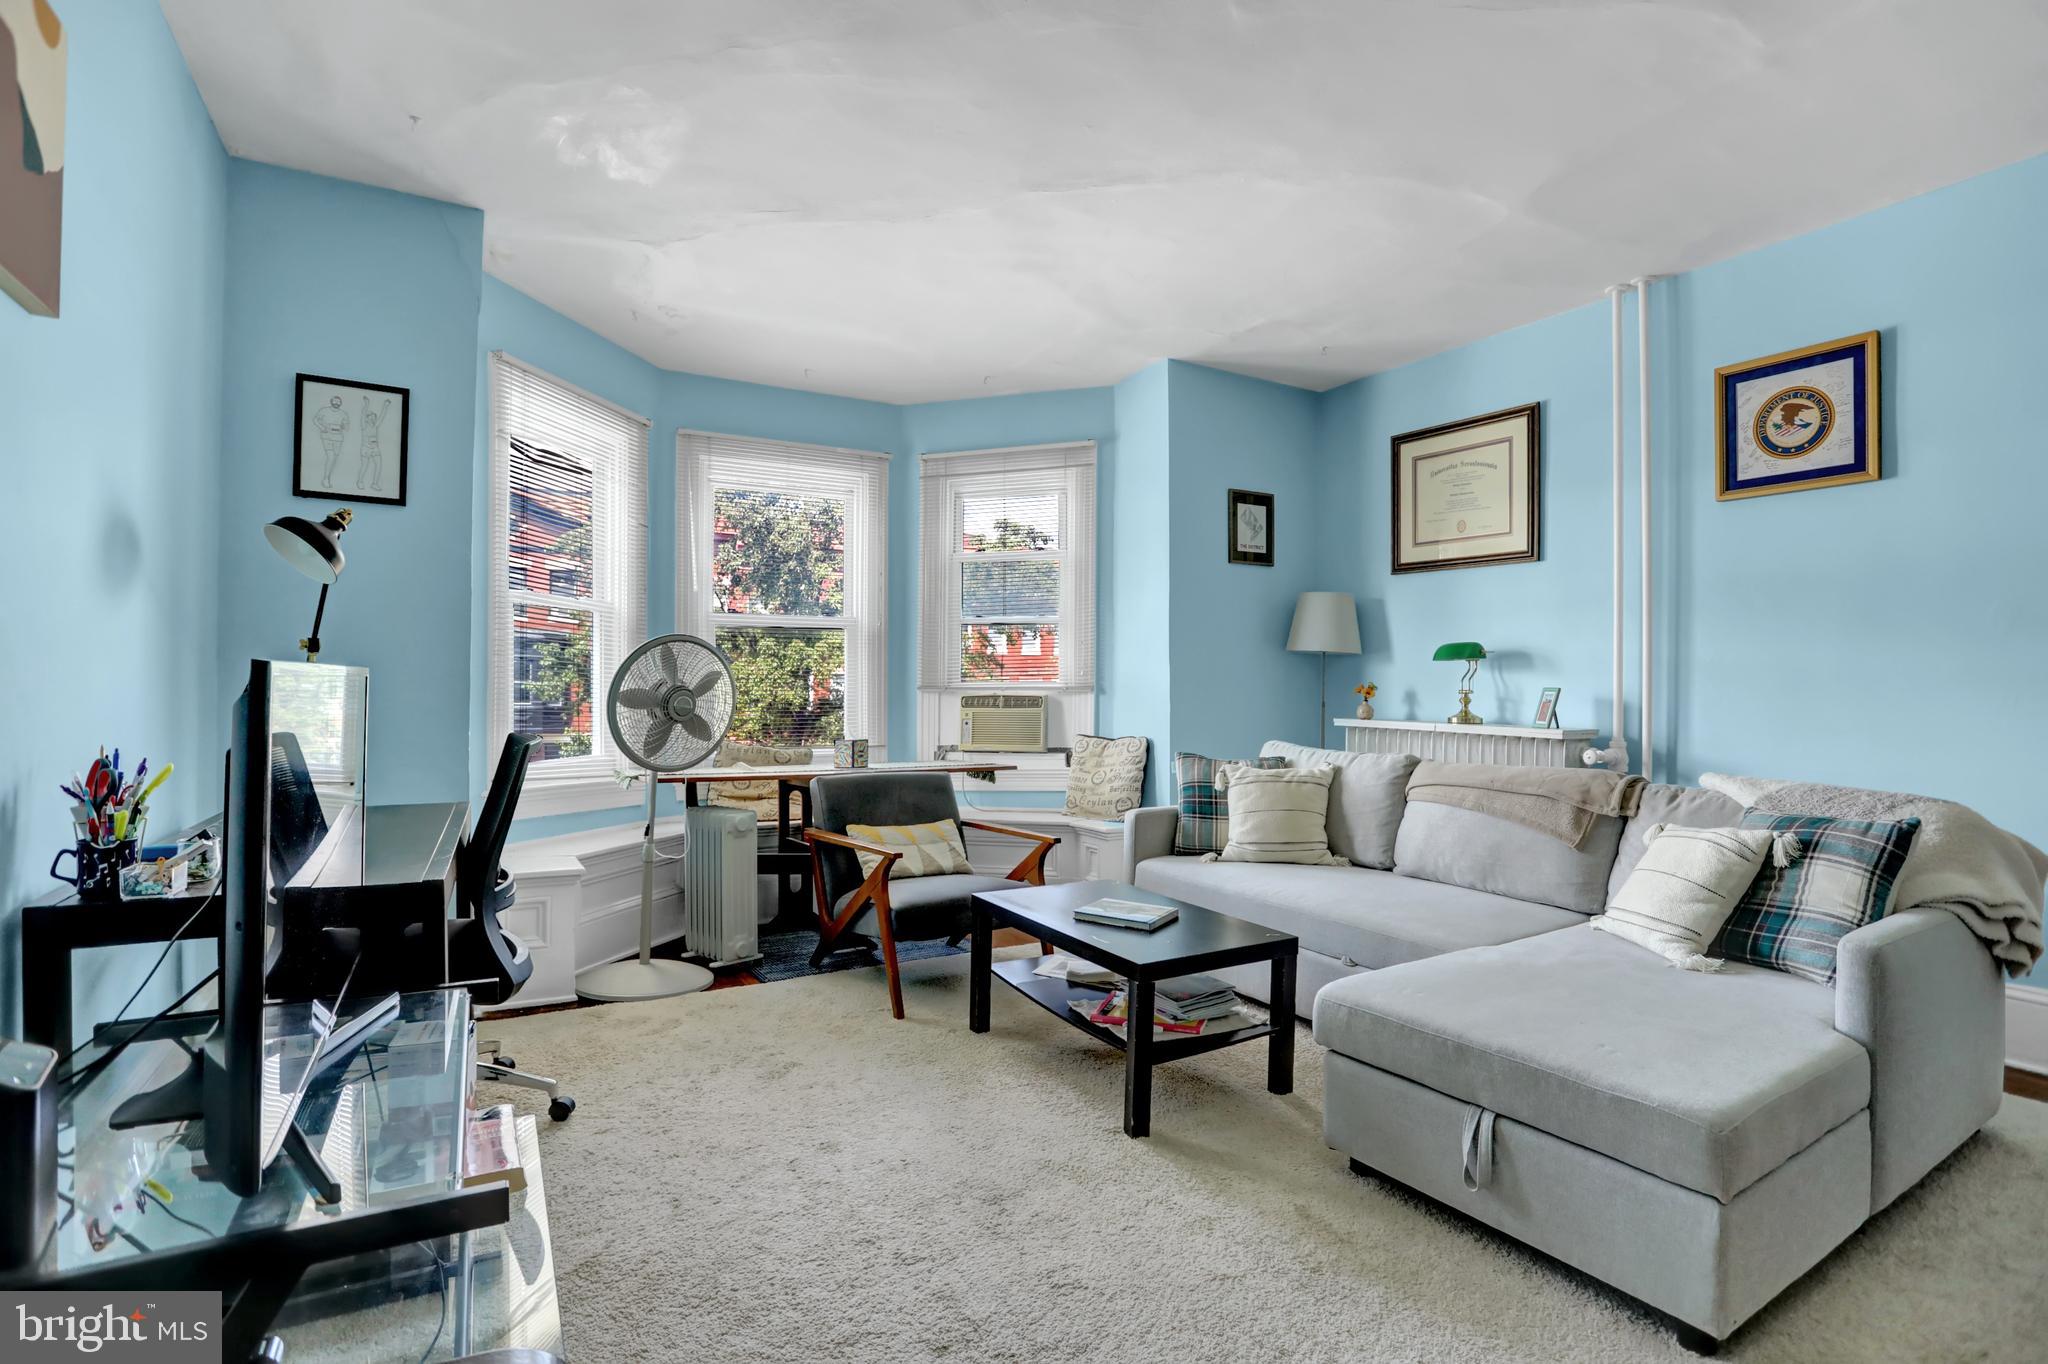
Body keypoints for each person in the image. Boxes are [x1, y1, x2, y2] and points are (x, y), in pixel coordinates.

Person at [312, 394, 349, 485]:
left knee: (334, 457)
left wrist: (344, 426)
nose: (336, 403)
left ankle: (328, 476)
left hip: (338, 438)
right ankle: (326, 479)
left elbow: (346, 427)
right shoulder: (324, 410)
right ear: (331, 401)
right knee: (330, 457)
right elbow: (315, 419)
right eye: (335, 401)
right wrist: (321, 427)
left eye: (338, 402)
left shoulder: (343, 413)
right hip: (327, 436)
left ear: (341, 403)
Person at [358, 396, 391, 491]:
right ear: (367, 419)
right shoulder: (364, 426)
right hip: (366, 448)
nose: (373, 418)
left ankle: (374, 483)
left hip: (375, 448)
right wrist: (367, 404)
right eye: (370, 417)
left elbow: (382, 416)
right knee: (365, 465)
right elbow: (363, 414)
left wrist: (385, 406)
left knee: (379, 464)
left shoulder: (375, 426)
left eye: (374, 417)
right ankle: (360, 481)